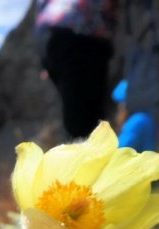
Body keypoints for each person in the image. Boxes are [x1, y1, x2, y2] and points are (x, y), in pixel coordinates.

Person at [36, 0, 119, 139]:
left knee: (76, 113)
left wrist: (46, 61)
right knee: (89, 121)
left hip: (50, 36)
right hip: (81, 35)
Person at [112, 80, 157, 151]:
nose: (120, 107)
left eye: (122, 103)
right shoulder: (145, 117)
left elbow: (121, 148)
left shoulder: (138, 120)